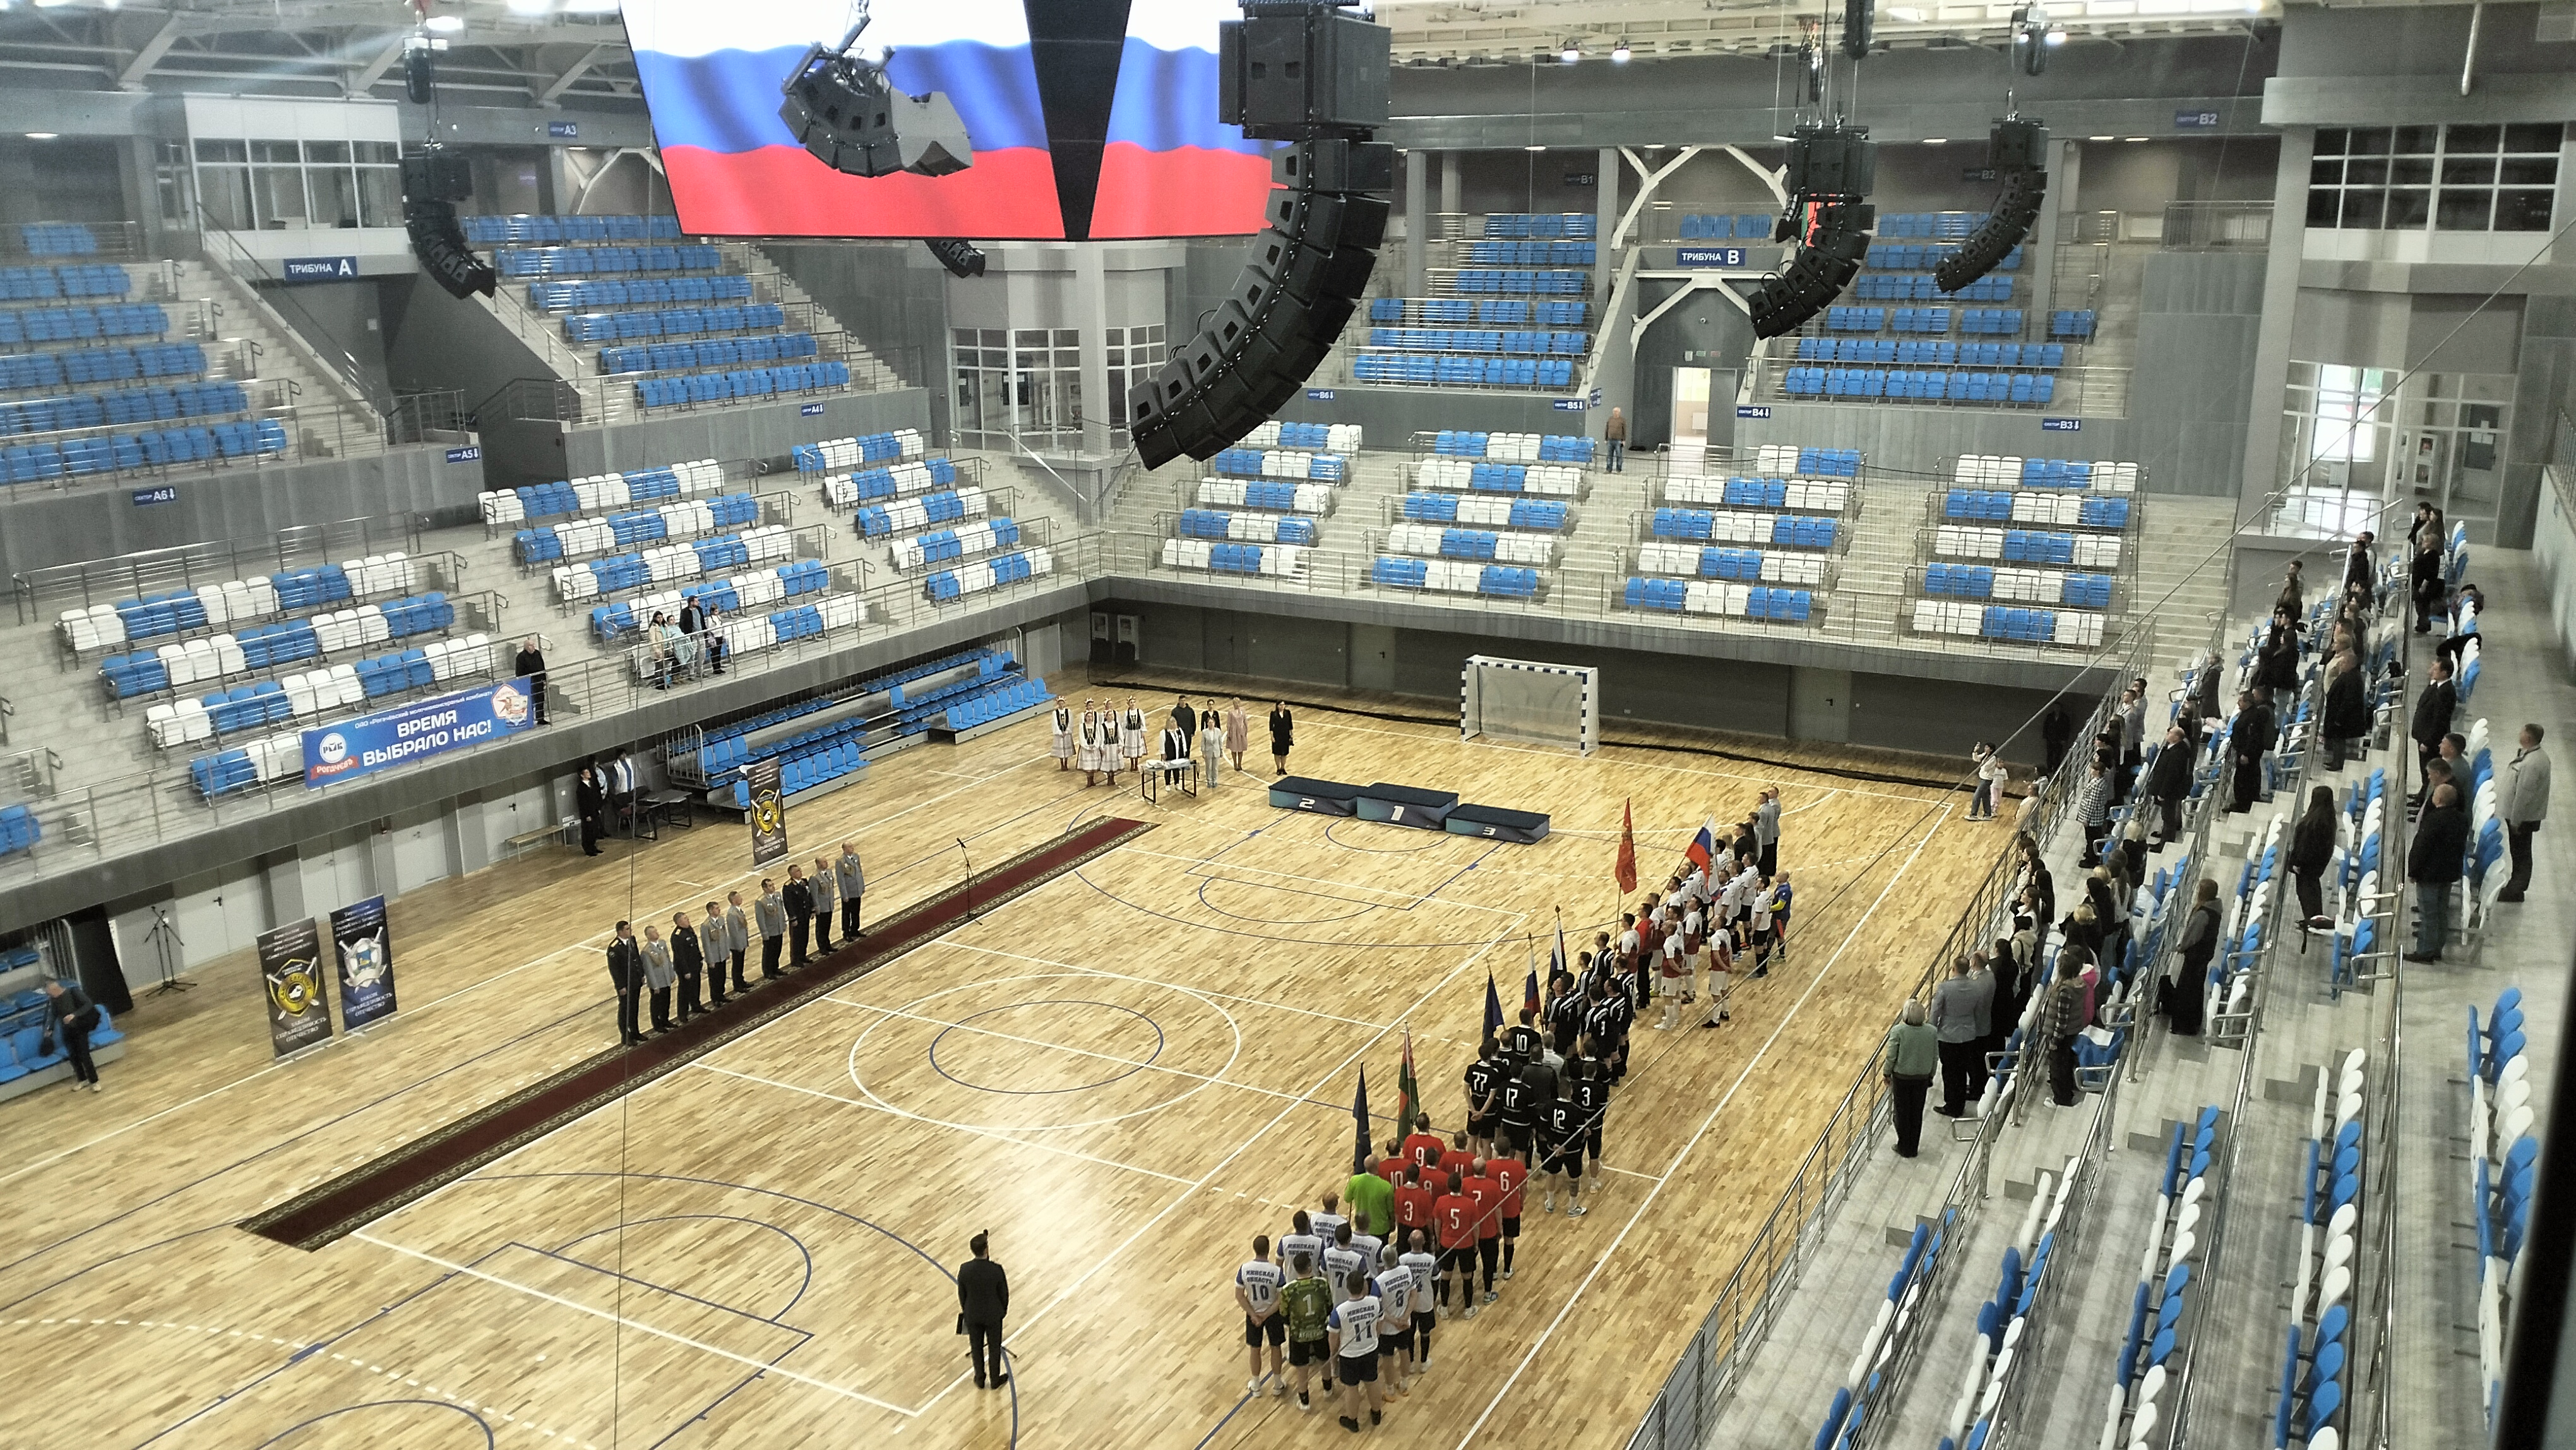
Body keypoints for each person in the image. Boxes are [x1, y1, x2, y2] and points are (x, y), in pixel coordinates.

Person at [2406, 781, 2469, 962]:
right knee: (2440, 912)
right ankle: (2437, 947)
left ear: (2439, 799)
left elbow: (2422, 847)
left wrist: (2413, 871)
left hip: (2430, 873)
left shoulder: (2434, 819)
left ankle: (2425, 951)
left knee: (2428, 914)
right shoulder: (2461, 819)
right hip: (2448, 872)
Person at [1931, 956, 1991, 1118]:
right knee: (1962, 1070)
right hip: (1969, 1035)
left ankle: (1952, 1105)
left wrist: (1932, 1029)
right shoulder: (1977, 987)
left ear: (1954, 969)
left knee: (1949, 1072)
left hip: (1948, 1036)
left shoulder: (1945, 988)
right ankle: (1960, 1103)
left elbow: (1935, 1011)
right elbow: (1979, 1011)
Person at [1327, 1268, 1385, 1432]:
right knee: (1372, 1381)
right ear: (1365, 1286)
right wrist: (1374, 1339)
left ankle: (1352, 1421)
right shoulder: (1375, 1303)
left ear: (1348, 1288)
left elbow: (1333, 1337)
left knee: (1351, 1388)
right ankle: (1376, 1414)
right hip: (1370, 1349)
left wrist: (1333, 1354)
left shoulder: (1340, 1311)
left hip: (1349, 1355)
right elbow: (1380, 1324)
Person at [2500, 724, 2551, 902]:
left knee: (2521, 853)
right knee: (2519, 852)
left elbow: (2524, 795)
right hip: (2522, 816)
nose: (2519, 734)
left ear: (2528, 738)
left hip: (2523, 818)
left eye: (2522, 732)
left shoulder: (2532, 763)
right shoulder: (2531, 756)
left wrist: (2516, 820)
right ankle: (2516, 886)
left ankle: (2516, 889)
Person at [1884, 999, 1938, 1158]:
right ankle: (1913, 1147)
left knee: (1902, 1113)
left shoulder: (1898, 1031)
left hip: (1902, 1079)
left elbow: (1891, 1056)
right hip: (1922, 1078)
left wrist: (1886, 1073)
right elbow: (1935, 1056)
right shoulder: (1931, 1031)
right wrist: (1931, 1074)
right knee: (1916, 1113)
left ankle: (1903, 1146)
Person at [958, 1231, 1010, 1389]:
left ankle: (980, 1378)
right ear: (986, 1249)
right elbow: (1004, 1294)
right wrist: (1002, 1311)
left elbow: (962, 1294)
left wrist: (967, 1310)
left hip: (973, 1315)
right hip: (993, 1315)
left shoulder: (964, 1269)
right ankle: (995, 1379)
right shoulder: (996, 1270)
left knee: (976, 1347)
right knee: (994, 1348)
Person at [1281, 1252, 1333, 1410]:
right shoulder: (1322, 1284)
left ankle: (1305, 1401)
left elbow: (1284, 1314)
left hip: (1298, 1334)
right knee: (1324, 1359)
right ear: (1310, 1267)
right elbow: (1329, 1305)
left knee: (1302, 1367)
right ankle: (1328, 1389)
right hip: (1320, 1330)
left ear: (1295, 1269)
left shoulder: (1288, 1290)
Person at [2168, 878, 2220, 1036]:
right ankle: (2193, 1022)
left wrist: (2181, 947)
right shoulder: (2215, 909)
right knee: (2195, 989)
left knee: (2187, 990)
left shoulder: (2203, 913)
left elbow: (2193, 936)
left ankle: (2184, 1025)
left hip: (2196, 957)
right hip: (2203, 956)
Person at [1237, 1235, 1287, 1396]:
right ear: (1268, 1249)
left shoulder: (1244, 1269)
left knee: (1255, 1348)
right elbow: (1282, 1298)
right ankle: (1278, 1383)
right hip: (1272, 1314)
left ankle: (1256, 1384)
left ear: (1254, 1249)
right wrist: (1266, 1314)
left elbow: (1239, 1295)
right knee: (1275, 1347)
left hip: (1253, 1313)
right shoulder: (1276, 1272)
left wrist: (1254, 1314)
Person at [39, 977, 102, 1092]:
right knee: (73, 1057)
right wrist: (50, 1028)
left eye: (49, 993)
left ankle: (95, 1081)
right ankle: (82, 1079)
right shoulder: (54, 1000)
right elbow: (53, 1014)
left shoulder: (73, 992)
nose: (49, 995)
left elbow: (88, 1004)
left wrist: (74, 1015)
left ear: (55, 989)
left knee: (85, 1055)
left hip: (80, 1028)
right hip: (67, 1030)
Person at [2289, 786, 2338, 929]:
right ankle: (2315, 919)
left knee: (2306, 894)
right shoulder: (2328, 818)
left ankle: (2313, 921)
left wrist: (2297, 863)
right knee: (2313, 891)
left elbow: (2305, 847)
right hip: (2317, 864)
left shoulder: (2313, 823)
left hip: (2306, 865)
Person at [1372, 1243, 1418, 1394]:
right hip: (1405, 1324)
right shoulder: (1407, 1271)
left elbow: (1378, 1309)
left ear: (1383, 1261)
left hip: (1388, 1328)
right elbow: (1414, 1295)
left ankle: (1390, 1390)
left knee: (1388, 1358)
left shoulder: (1378, 1281)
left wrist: (1395, 1321)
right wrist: (1405, 1317)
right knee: (1404, 1352)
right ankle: (1404, 1384)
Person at [2410, 656, 2457, 799]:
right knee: (2425, 770)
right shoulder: (2436, 687)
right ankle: (2422, 795)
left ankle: (2425, 798)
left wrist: (2428, 742)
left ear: (2444, 673)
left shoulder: (2446, 692)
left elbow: (2439, 721)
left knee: (2429, 771)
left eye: (2435, 669)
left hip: (2430, 739)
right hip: (2423, 734)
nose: (2432, 671)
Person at [1431, 1171, 1477, 1319]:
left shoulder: (1441, 1201)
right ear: (1461, 1186)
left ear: (1448, 1186)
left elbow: (1437, 1224)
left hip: (1447, 1243)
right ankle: (1468, 1309)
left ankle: (1444, 1308)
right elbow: (1475, 1227)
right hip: (1465, 1244)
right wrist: (1476, 1244)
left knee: (1446, 1276)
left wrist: (1438, 1240)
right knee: (1467, 1277)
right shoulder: (1470, 1204)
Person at [2042, 957, 2087, 1106]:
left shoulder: (2065, 991)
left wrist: (2054, 1041)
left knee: (2058, 1068)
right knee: (2065, 1066)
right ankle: (2065, 1095)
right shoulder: (2075, 985)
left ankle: (2060, 1100)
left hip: (2061, 1036)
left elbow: (2062, 1021)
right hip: (2069, 1033)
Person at [1462, 1157, 1503, 1305]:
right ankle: (1487, 1294)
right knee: (1488, 1264)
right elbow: (1497, 1210)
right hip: (1488, 1231)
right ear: (1485, 1169)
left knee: (1469, 1266)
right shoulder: (1493, 1186)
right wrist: (1500, 1228)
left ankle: (1469, 1297)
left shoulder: (1464, 1183)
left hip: (1470, 1232)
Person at [2141, 726, 2191, 848]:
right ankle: (2164, 838)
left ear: (2176, 737)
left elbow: (2171, 776)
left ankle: (2165, 843)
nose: (2167, 733)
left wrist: (2162, 793)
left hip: (2170, 792)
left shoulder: (2178, 753)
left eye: (2170, 733)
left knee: (2168, 817)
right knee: (2167, 816)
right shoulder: (2172, 749)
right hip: (2167, 790)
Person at [2322, 649, 2369, 772]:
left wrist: (2339, 718)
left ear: (2350, 664)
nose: (2341, 665)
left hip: (2343, 718)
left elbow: (2348, 701)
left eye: (2343, 663)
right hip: (2337, 714)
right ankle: (2335, 760)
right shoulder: (2348, 675)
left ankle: (2338, 763)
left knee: (2339, 740)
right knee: (2337, 740)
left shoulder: (2352, 678)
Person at [1398, 1230, 1440, 1370]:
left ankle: (1410, 1363)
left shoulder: (1402, 1260)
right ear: (1424, 1242)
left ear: (1409, 1241)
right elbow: (1436, 1280)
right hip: (1426, 1302)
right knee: (1425, 1333)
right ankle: (1423, 1362)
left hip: (1408, 1304)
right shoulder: (1431, 1260)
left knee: (1410, 1333)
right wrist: (1433, 1298)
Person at [1345, 1158, 1397, 1258]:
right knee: (1381, 1259)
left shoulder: (1355, 1180)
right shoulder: (1386, 1186)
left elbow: (1347, 1199)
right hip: (1381, 1230)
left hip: (1361, 1227)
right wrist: (1393, 1223)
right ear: (1378, 1167)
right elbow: (1391, 1210)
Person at [607, 920, 645, 1046]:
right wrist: (620, 986)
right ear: (620, 932)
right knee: (625, 1010)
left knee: (634, 1008)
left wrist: (641, 974)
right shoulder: (614, 948)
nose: (630, 931)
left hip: (635, 980)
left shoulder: (632, 940)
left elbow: (636, 958)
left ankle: (635, 1031)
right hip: (625, 984)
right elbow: (615, 970)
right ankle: (625, 1036)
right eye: (627, 929)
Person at [640, 924, 676, 1034]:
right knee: (657, 1004)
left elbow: (668, 959)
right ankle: (657, 1024)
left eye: (656, 931)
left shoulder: (662, 943)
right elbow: (649, 970)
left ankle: (665, 1020)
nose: (656, 933)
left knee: (666, 1001)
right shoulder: (646, 951)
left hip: (666, 978)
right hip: (657, 981)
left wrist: (671, 973)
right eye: (653, 932)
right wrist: (654, 985)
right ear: (648, 936)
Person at [669, 911, 704, 1025]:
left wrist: (700, 959)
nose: (688, 920)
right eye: (685, 919)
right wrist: (686, 971)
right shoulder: (677, 936)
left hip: (694, 964)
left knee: (696, 986)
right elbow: (680, 956)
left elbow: (695, 946)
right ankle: (682, 1014)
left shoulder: (689, 929)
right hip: (686, 968)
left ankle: (696, 1005)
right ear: (679, 922)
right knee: (684, 991)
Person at [783, 865, 815, 968]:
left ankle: (803, 955)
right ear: (792, 874)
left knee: (805, 936)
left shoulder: (804, 882)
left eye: (800, 870)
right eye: (797, 871)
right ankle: (795, 959)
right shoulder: (788, 887)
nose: (800, 872)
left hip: (805, 914)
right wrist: (793, 918)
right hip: (797, 916)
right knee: (796, 939)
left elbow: (809, 897)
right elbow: (789, 904)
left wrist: (812, 909)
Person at [702, 902, 733, 1007]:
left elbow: (724, 936)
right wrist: (710, 960)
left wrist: (727, 951)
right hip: (714, 956)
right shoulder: (706, 926)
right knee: (714, 979)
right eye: (716, 908)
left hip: (722, 954)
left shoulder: (721, 920)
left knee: (722, 976)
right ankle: (715, 998)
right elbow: (706, 944)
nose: (719, 910)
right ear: (711, 911)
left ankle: (721, 995)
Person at [755, 878, 786, 980]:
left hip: (778, 928)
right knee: (769, 952)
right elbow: (760, 919)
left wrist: (783, 923)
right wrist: (764, 932)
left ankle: (775, 968)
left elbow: (781, 911)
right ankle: (768, 971)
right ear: (764, 888)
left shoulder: (777, 895)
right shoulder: (761, 901)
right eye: (770, 886)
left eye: (773, 885)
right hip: (770, 930)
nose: (773, 887)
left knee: (778, 949)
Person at [515, 635, 549, 726]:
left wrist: (544, 678)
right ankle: (528, 720)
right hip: (529, 681)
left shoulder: (537, 653)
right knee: (529, 701)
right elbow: (519, 672)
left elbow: (542, 666)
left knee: (540, 700)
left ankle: (540, 718)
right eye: (531, 645)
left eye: (534, 645)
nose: (533, 647)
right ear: (526, 647)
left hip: (539, 680)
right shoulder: (521, 657)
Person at [836, 842, 867, 942]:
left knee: (856, 911)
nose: (852, 848)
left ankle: (855, 929)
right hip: (849, 892)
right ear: (844, 849)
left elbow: (859, 872)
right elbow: (841, 880)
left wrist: (862, 885)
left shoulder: (856, 856)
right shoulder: (840, 861)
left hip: (856, 889)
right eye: (849, 847)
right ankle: (846, 932)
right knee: (847, 914)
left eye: (852, 846)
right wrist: (844, 894)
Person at [808, 854, 839, 952]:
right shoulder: (814, 878)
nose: (826, 863)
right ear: (818, 864)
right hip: (822, 906)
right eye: (824, 862)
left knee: (827, 926)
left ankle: (827, 944)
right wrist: (816, 907)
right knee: (821, 928)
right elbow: (814, 894)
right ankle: (822, 947)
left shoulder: (829, 872)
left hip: (829, 904)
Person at [725, 890, 753, 992]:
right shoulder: (732, 914)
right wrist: (739, 945)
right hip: (737, 944)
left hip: (741, 942)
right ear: (733, 900)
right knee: (737, 965)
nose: (741, 898)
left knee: (740, 964)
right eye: (739, 897)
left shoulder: (737, 911)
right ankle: (737, 985)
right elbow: (734, 932)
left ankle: (741, 981)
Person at [576, 765, 605, 856]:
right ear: (582, 775)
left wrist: (598, 808)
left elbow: (596, 798)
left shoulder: (592, 784)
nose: (589, 773)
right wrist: (586, 815)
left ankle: (593, 847)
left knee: (595, 830)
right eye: (586, 772)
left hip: (594, 811)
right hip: (588, 814)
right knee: (588, 831)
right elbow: (582, 803)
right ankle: (588, 849)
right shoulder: (581, 788)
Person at [1078, 698, 1109, 786]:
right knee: (1088, 765)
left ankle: (1092, 780)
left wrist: (1096, 745)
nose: (1090, 718)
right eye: (1088, 717)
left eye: (1091, 717)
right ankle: (1089, 781)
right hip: (1086, 748)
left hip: (1094, 747)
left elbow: (1098, 735)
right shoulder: (1082, 726)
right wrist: (1087, 747)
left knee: (1093, 765)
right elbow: (1082, 737)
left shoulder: (1095, 725)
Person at [2041, 702, 2072, 776]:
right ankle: (2049, 769)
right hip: (2050, 739)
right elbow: (2046, 727)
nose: (2056, 709)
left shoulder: (2064, 717)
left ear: (2060, 708)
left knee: (2057, 755)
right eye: (2055, 707)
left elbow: (2067, 729)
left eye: (2058, 707)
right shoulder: (2050, 716)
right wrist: (2045, 736)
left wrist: (2064, 739)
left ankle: (2056, 770)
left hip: (2059, 740)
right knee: (2050, 754)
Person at [1120, 698, 1148, 779]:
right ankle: (1132, 763)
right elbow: (1124, 724)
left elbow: (1142, 722)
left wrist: (1143, 731)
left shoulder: (1139, 712)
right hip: (1130, 733)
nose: (1132, 704)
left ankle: (1136, 764)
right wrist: (1124, 735)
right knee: (1131, 748)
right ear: (1128, 704)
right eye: (1131, 703)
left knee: (1137, 748)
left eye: (1133, 702)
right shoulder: (1126, 713)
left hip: (1137, 732)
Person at [1200, 708, 1227, 791]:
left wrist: (1221, 751)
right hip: (1208, 752)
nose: (1211, 724)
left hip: (1216, 751)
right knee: (1208, 767)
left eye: (1212, 723)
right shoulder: (1205, 732)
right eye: (1210, 723)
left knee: (1215, 768)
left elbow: (1220, 742)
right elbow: (1203, 743)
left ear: (1214, 723)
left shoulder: (1218, 731)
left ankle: (1215, 780)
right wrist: (1203, 752)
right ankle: (1209, 781)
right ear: (1207, 723)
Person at [1269, 700, 1296, 777]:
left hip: (1285, 735)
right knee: (1277, 753)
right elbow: (1271, 726)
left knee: (1285, 753)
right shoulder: (1273, 714)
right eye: (1281, 705)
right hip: (1277, 735)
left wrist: (1291, 734)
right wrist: (1272, 736)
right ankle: (1278, 768)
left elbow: (1290, 724)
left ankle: (1283, 768)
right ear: (1277, 706)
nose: (1282, 706)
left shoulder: (1287, 713)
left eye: (1283, 705)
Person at [1225, 698, 1251, 772]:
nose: (1237, 705)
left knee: (1241, 748)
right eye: (1235, 703)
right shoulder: (1231, 712)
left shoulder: (1243, 711)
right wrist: (1229, 733)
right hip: (1234, 731)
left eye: (1238, 703)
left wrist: (1246, 730)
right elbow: (1229, 723)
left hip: (1241, 731)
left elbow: (1245, 720)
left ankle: (1240, 764)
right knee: (1234, 748)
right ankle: (1235, 764)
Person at [1051, 700, 1075, 772]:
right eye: (1060, 704)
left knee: (1066, 749)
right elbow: (1055, 723)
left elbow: (1070, 722)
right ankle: (1062, 764)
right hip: (1059, 734)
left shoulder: (1068, 712)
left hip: (1066, 733)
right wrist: (1059, 732)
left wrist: (1067, 731)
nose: (1061, 705)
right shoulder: (1055, 713)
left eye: (1062, 704)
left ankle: (1066, 763)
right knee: (1061, 750)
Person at [1603, 405, 1627, 472]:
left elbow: (1624, 430)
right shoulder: (1610, 419)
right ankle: (1609, 469)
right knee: (1609, 456)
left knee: (1619, 456)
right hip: (1610, 440)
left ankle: (1618, 469)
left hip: (1618, 441)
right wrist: (1606, 438)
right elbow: (1607, 429)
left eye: (1616, 411)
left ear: (1619, 412)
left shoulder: (1622, 420)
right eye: (1614, 411)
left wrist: (1624, 440)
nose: (1615, 412)